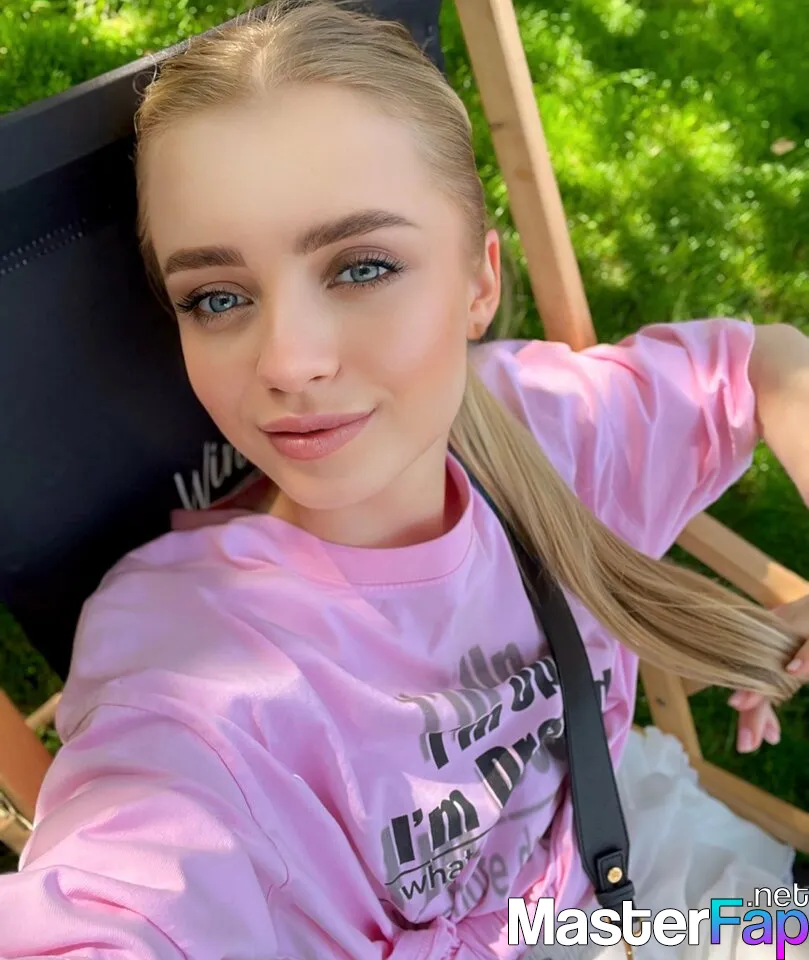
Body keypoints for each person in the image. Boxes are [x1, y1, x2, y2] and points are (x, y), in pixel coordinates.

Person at [2, 2, 809, 957]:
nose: (289, 361)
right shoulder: (189, 665)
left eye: (361, 267)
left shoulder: (545, 424)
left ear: (478, 283)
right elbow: (125, 898)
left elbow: (767, 362)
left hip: (654, 871)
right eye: (216, 297)